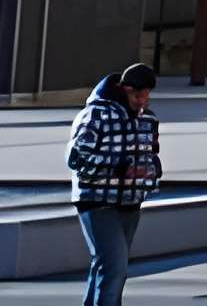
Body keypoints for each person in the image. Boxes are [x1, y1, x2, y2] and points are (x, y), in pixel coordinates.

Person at [65, 64, 162, 306]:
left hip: (130, 201)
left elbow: (152, 154)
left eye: (147, 94)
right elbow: (77, 159)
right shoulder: (95, 115)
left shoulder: (148, 119)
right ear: (124, 90)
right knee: (114, 267)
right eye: (138, 95)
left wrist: (151, 173)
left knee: (107, 266)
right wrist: (117, 166)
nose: (143, 100)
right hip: (96, 200)